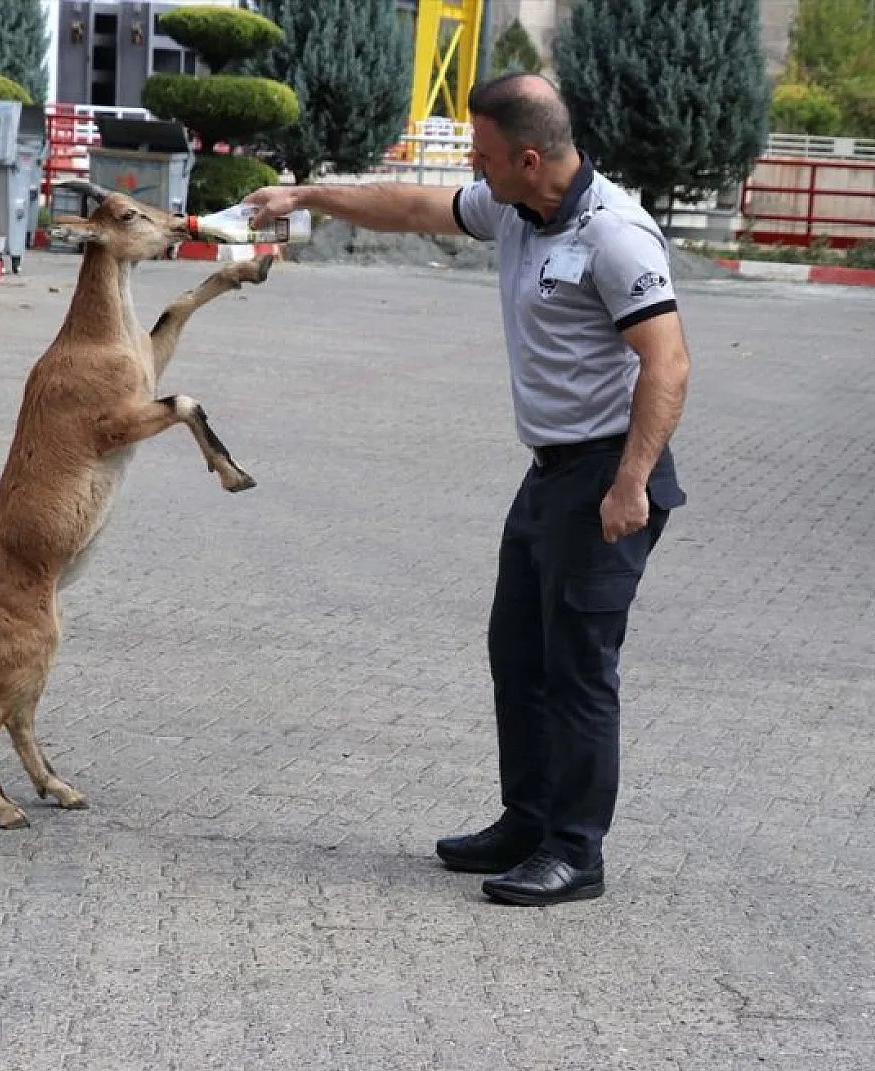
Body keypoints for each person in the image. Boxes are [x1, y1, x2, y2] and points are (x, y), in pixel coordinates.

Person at [243, 73, 690, 906]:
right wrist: (308, 194)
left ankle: (575, 851)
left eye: (482, 157)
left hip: (606, 474)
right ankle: (525, 820)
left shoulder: (616, 235)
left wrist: (631, 484)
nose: (472, 173)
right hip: (549, 472)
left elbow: (669, 363)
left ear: (528, 157)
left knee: (579, 669)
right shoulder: (513, 206)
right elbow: (414, 209)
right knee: (517, 655)